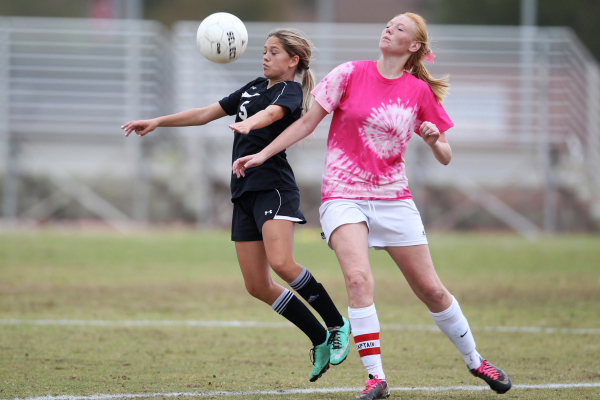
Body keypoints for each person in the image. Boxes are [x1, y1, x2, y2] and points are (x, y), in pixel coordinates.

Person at [232, 13, 512, 400]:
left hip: (394, 198)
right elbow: (306, 123)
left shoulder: (418, 91)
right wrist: (263, 153)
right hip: (343, 195)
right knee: (359, 280)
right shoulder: (349, 73)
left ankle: (475, 360)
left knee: (431, 289)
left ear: (414, 46)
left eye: (399, 28)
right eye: (388, 25)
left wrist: (433, 141)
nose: (388, 29)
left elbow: (446, 155)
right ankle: (375, 378)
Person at [121, 29, 351, 383]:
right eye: (264, 50)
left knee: (282, 264)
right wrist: (157, 122)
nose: (265, 56)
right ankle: (318, 337)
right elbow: (203, 113)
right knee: (257, 285)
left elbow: (273, 115)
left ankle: (336, 324)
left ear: (293, 61)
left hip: (273, 188)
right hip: (243, 192)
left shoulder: (289, 91)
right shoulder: (253, 86)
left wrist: (250, 122)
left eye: (273, 52)